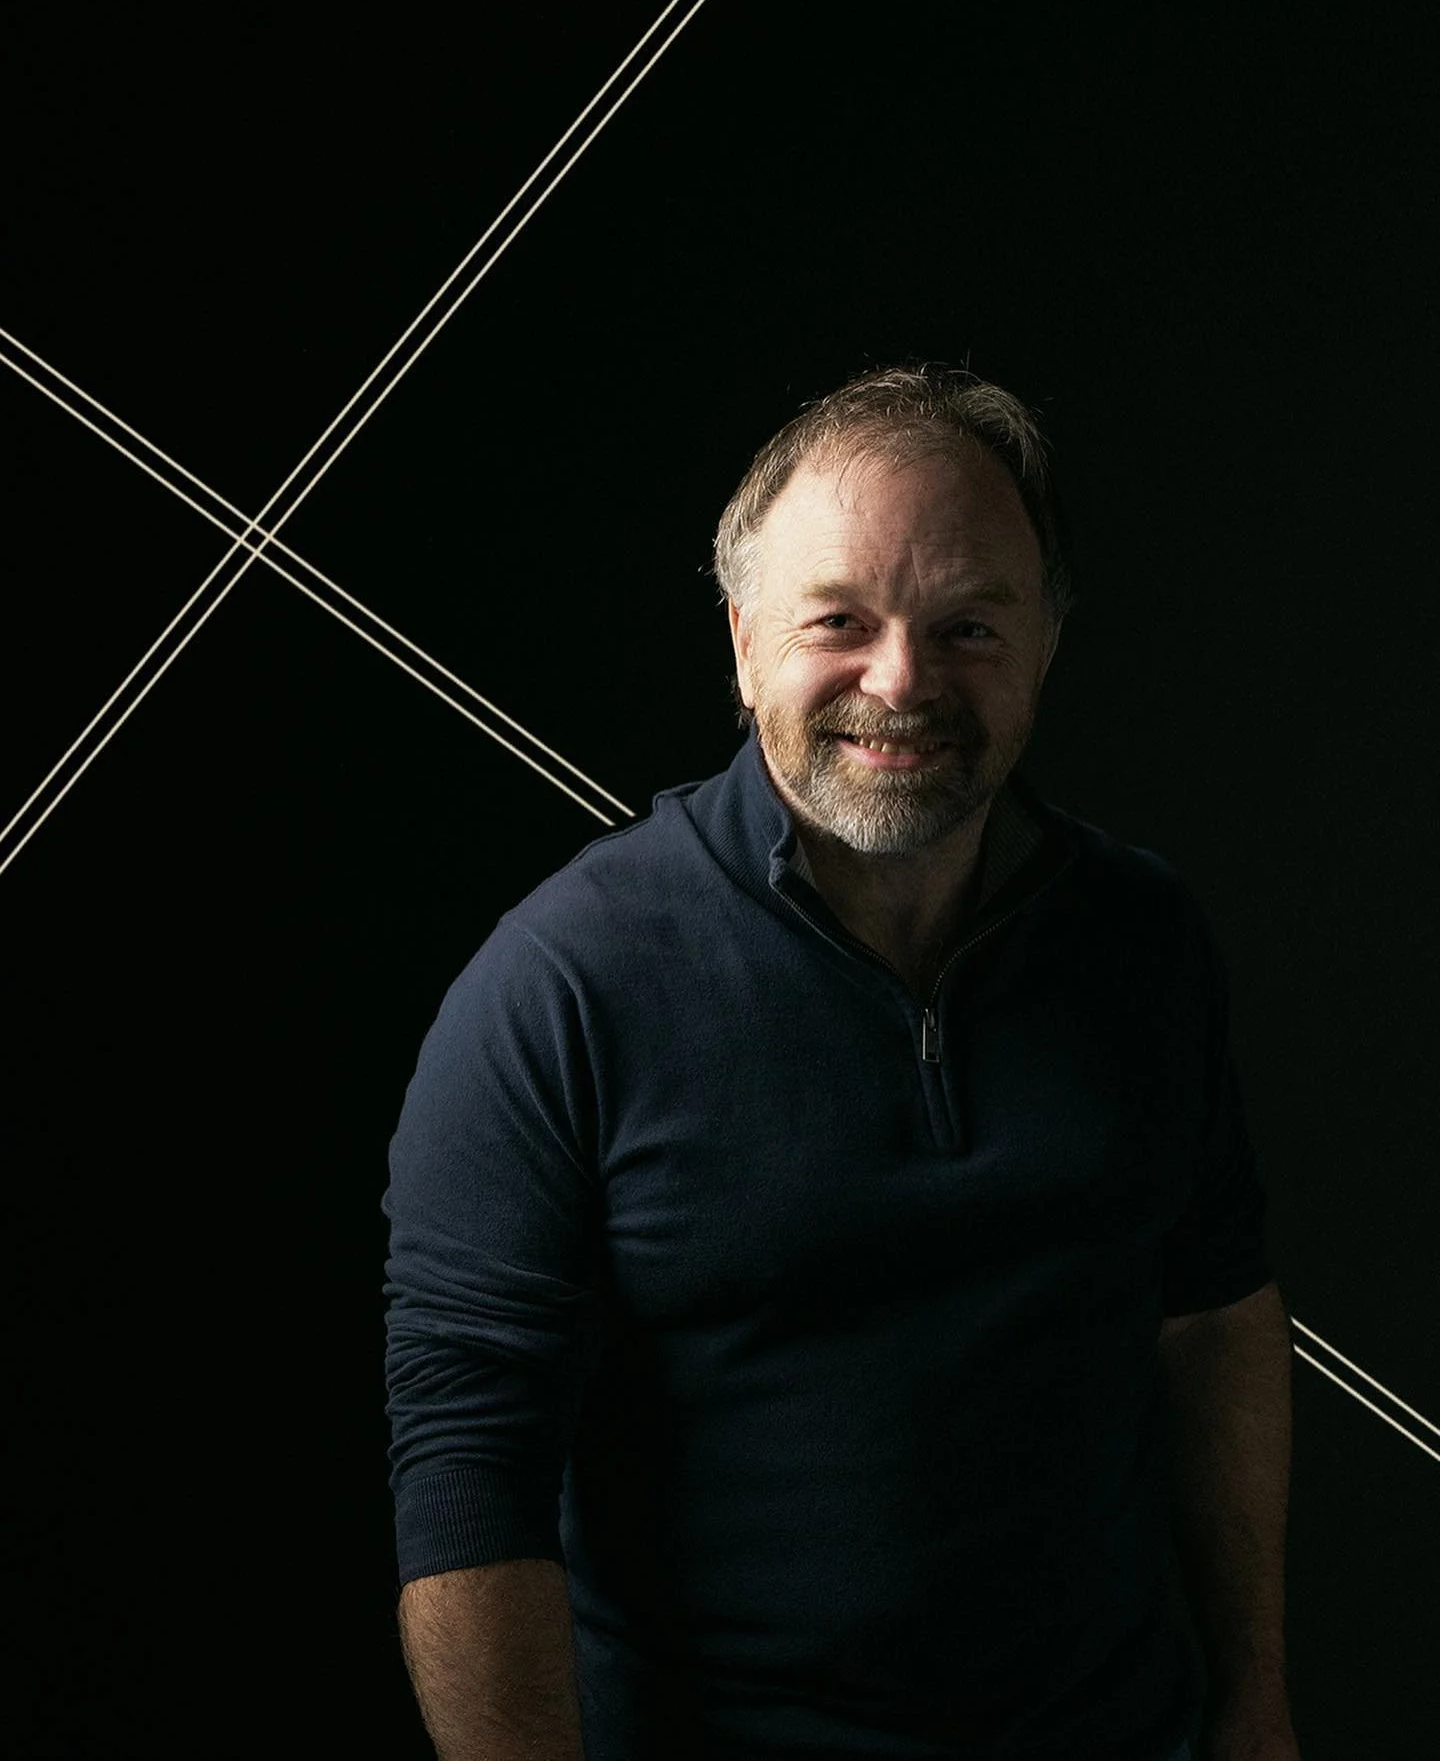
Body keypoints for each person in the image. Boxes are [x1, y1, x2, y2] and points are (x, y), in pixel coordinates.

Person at [383, 363, 1301, 1761]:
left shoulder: (1142, 941)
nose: (902, 680)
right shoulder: (563, 985)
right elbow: (470, 1472)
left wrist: (1255, 1695)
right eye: (840, 621)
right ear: (746, 641)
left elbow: (1214, 1315)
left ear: (1045, 648)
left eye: (968, 626)